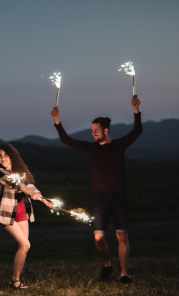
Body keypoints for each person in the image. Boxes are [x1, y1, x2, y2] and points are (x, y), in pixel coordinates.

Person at [50, 96, 142, 284]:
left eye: (96, 131)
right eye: (91, 131)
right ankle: (108, 267)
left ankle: (124, 274)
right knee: (99, 238)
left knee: (122, 236)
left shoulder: (118, 145)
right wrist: (57, 121)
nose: (93, 134)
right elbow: (66, 139)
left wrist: (136, 110)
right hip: (99, 198)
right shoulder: (90, 149)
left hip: (119, 196)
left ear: (105, 130)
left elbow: (137, 130)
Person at [0, 143, 54, 290]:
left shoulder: (19, 171)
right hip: (6, 213)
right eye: (0, 156)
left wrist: (43, 199)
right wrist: (32, 193)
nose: (3, 158)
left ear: (12, 156)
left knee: (23, 246)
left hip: (21, 210)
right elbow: (15, 184)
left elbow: (29, 186)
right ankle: (15, 280)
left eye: (5, 155)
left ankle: (16, 280)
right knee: (26, 244)